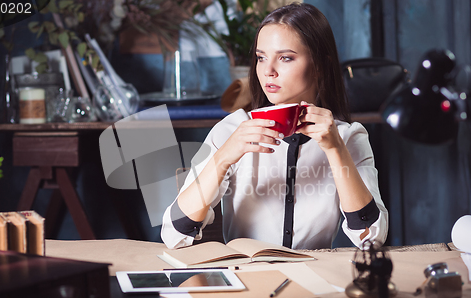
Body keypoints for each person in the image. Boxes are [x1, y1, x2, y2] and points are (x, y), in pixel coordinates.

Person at [161, 3, 388, 250]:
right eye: (261, 58)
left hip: (315, 279)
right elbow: (174, 235)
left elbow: (371, 237)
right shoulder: (232, 130)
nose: (268, 71)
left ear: (320, 65)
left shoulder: (347, 137)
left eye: (285, 58)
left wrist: (336, 150)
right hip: (247, 277)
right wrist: (224, 156)